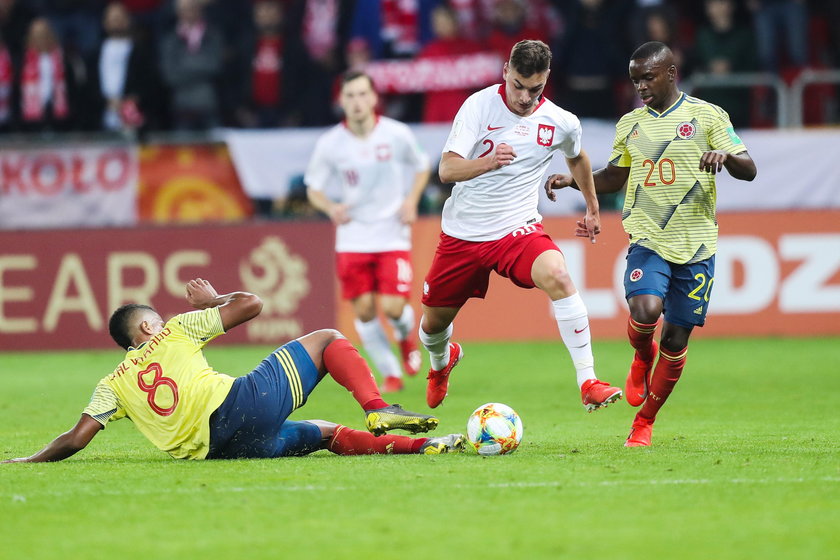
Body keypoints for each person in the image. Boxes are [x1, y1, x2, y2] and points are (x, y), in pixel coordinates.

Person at [544, 41, 757, 447]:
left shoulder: (707, 116)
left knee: (675, 341)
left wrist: (724, 157)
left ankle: (644, 422)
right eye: (634, 80)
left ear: (671, 74)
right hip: (649, 237)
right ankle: (642, 355)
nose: (639, 87)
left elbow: (749, 169)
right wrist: (574, 180)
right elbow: (614, 176)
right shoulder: (630, 125)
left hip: (696, 247)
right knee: (645, 311)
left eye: (647, 78)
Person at [3, 278, 463, 463]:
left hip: (225, 451)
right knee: (326, 339)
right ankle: (380, 408)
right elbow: (252, 305)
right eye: (155, 319)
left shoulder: (112, 384)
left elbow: (76, 438)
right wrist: (213, 299)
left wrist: (30, 460)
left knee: (325, 432)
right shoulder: (175, 330)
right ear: (147, 327)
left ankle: (425, 446)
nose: (162, 321)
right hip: (240, 407)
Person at [420, 39, 622, 413]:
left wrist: (593, 207)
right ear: (505, 73)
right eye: (518, 85)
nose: (526, 97)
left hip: (517, 229)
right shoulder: (479, 106)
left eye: (536, 89)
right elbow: (446, 169)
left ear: (546, 81)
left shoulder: (560, 122)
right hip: (462, 235)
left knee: (559, 275)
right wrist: (489, 161)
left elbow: (577, 156)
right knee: (432, 326)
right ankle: (441, 361)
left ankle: (588, 381)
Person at [305, 70, 431, 394]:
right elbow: (313, 188)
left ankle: (406, 339)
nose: (357, 102)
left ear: (374, 98)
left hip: (391, 231)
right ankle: (390, 373)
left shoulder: (396, 134)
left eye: (363, 94)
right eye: (350, 96)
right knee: (362, 311)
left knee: (391, 307)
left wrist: (411, 201)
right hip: (353, 236)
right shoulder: (331, 143)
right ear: (341, 101)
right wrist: (331, 207)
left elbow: (422, 164)